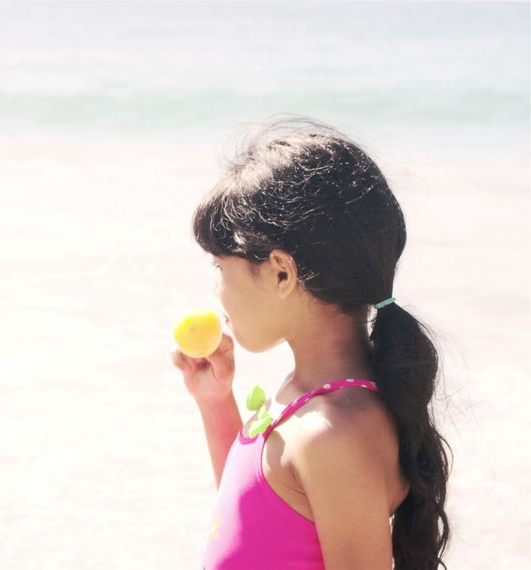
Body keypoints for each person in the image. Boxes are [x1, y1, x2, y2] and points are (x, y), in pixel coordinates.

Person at [173, 119, 450, 569]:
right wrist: (215, 402)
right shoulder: (310, 398)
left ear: (281, 272)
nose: (217, 291)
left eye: (222, 267)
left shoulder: (332, 436)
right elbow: (253, 516)